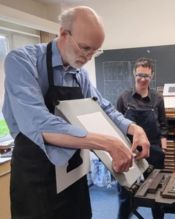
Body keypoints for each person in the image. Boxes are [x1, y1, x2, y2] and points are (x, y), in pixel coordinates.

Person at [2, 6, 150, 219]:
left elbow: (104, 108)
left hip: (71, 174)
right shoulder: (22, 62)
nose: (89, 57)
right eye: (85, 48)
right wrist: (108, 143)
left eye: (95, 51)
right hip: (36, 175)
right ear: (63, 33)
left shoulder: (78, 74)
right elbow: (40, 124)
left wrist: (134, 128)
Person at [116, 57, 168, 219]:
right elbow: (116, 125)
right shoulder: (124, 98)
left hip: (153, 151)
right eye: (140, 75)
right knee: (126, 195)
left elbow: (163, 124)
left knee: (156, 193)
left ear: (151, 76)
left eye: (146, 76)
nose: (143, 79)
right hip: (129, 151)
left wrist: (163, 148)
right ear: (134, 74)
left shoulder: (158, 98)